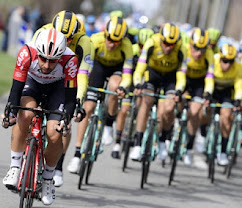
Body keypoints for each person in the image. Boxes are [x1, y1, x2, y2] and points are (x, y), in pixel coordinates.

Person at [2, 28, 79, 205]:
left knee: (54, 133)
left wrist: (66, 119)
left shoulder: (70, 60)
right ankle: (15, 167)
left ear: (60, 56)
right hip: (32, 84)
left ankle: (47, 179)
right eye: (43, 58)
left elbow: (70, 97)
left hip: (58, 89)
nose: (46, 65)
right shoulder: (26, 52)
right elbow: (16, 89)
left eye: (52, 61)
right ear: (38, 52)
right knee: (25, 114)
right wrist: (11, 113)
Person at [33, 10, 94, 187]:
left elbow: (82, 75)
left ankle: (57, 166)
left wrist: (78, 101)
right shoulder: (42, 32)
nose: (65, 42)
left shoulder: (84, 42)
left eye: (69, 39)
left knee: (64, 124)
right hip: (42, 76)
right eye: (61, 36)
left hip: (68, 80)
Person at [67, 16, 132, 173]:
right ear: (105, 34)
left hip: (116, 69)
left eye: (116, 41)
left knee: (115, 86)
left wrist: (123, 87)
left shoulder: (127, 46)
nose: (111, 44)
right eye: (110, 39)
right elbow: (84, 66)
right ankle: (76, 155)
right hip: (97, 67)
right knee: (88, 108)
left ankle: (109, 125)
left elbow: (128, 73)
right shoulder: (95, 40)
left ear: (122, 40)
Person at [129, 22, 187, 161]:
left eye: (172, 44)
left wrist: (179, 90)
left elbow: (181, 73)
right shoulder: (151, 42)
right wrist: (137, 83)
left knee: (169, 108)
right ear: (160, 38)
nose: (168, 47)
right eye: (166, 43)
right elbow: (140, 67)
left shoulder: (181, 49)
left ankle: (163, 140)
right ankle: (137, 143)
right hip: (152, 74)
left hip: (170, 77)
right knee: (146, 100)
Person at [111, 28, 154, 159]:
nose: (142, 48)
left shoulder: (151, 53)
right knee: (124, 111)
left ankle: (137, 133)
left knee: (142, 106)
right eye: (141, 45)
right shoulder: (133, 50)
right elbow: (126, 70)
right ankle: (117, 143)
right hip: (130, 81)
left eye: (145, 46)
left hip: (143, 82)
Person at [204, 43, 242, 166]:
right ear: (220, 57)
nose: (227, 65)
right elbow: (209, 80)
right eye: (225, 61)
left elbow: (239, 87)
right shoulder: (213, 61)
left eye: (230, 62)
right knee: (204, 108)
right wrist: (207, 94)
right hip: (213, 88)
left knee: (226, 118)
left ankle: (222, 152)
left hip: (227, 92)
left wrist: (238, 100)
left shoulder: (238, 68)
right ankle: (203, 133)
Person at [182, 28, 214, 165]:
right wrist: (180, 90)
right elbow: (180, 73)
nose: (199, 52)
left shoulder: (209, 55)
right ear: (190, 44)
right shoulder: (184, 50)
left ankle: (189, 148)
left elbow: (210, 77)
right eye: (196, 48)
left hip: (198, 83)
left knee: (195, 113)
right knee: (172, 104)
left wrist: (208, 93)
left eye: (203, 49)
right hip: (183, 79)